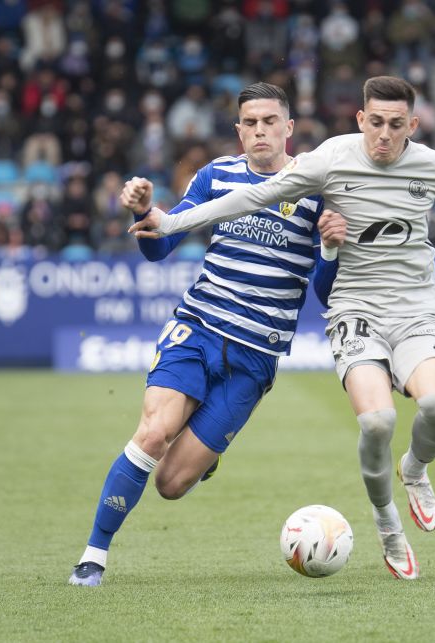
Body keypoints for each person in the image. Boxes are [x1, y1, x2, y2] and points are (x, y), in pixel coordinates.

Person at [129, 76, 435, 579]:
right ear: (360, 119)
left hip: (416, 308)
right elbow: (254, 197)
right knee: (377, 422)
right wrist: (171, 223)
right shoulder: (331, 158)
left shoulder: (430, 167)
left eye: (396, 125)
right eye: (375, 122)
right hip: (355, 308)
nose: (383, 134)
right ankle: (388, 527)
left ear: (412, 126)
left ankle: (415, 470)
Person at [68, 83, 344, 587]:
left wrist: (329, 248)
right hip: (197, 329)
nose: (260, 131)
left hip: (257, 356)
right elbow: (159, 246)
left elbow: (325, 294)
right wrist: (142, 212)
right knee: (152, 434)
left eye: (269, 121)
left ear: (289, 127)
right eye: (250, 123)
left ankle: (201, 458)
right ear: (239, 131)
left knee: (171, 485)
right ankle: (93, 557)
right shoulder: (217, 176)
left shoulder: (314, 188)